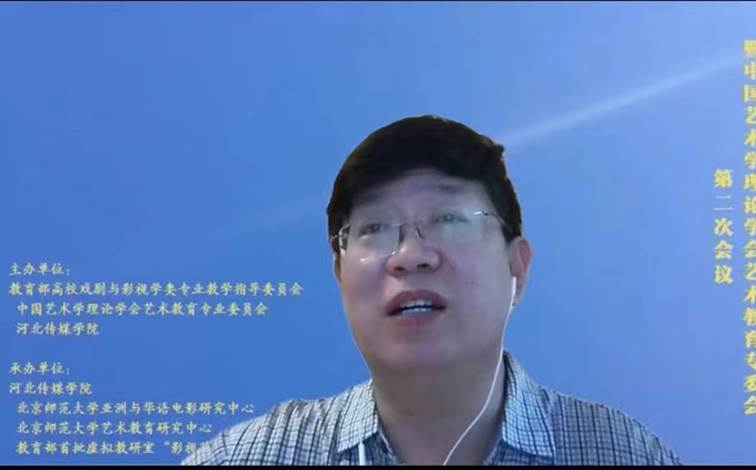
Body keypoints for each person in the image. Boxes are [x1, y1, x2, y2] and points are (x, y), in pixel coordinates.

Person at [182, 115, 681, 465]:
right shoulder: (245, 458)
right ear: (339, 274)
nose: (410, 255)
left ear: (517, 267)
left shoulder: (625, 453)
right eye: (375, 228)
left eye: (448, 219)